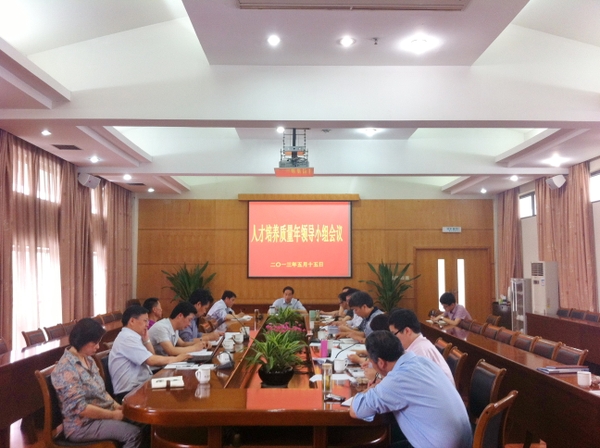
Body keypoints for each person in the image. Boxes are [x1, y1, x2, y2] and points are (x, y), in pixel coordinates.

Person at [350, 331, 472, 448]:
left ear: (381, 363)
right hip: (463, 442)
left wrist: (370, 389)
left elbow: (356, 410)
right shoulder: (422, 361)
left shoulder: (398, 379)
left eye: (371, 362)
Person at [51, 318, 142, 448]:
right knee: (133, 434)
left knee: (142, 422)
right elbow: (81, 408)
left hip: (100, 416)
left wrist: (117, 407)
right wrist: (112, 415)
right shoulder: (66, 368)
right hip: (82, 426)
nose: (98, 347)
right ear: (82, 340)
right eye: (94, 343)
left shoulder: (89, 360)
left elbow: (101, 392)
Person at [109, 305, 192, 402]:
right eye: (145, 321)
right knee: (174, 394)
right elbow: (151, 360)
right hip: (130, 392)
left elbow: (152, 355)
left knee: (179, 384)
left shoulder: (133, 336)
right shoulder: (127, 338)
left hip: (142, 385)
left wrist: (146, 340)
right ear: (132, 321)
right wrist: (176, 359)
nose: (147, 325)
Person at [388, 308, 454, 384]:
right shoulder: (418, 344)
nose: (393, 339)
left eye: (394, 334)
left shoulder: (419, 352)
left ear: (407, 331)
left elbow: (411, 383)